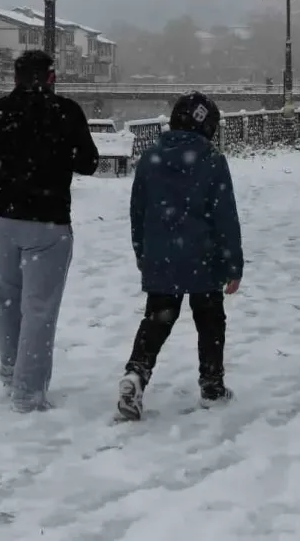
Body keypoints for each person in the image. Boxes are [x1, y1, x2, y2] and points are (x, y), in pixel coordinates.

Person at [0, 50, 100, 412]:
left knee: (7, 300)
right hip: (49, 222)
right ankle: (28, 392)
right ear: (51, 77)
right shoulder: (67, 112)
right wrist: (60, 154)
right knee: (40, 308)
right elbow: (89, 163)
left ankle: (10, 371)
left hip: (2, 221)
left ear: (15, 77)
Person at [117, 92, 243, 421]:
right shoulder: (212, 159)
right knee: (210, 322)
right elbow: (225, 216)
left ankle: (136, 374)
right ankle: (212, 385)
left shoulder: (151, 157)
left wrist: (142, 252)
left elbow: (138, 213)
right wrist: (233, 264)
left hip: (162, 257)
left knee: (157, 320)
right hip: (204, 258)